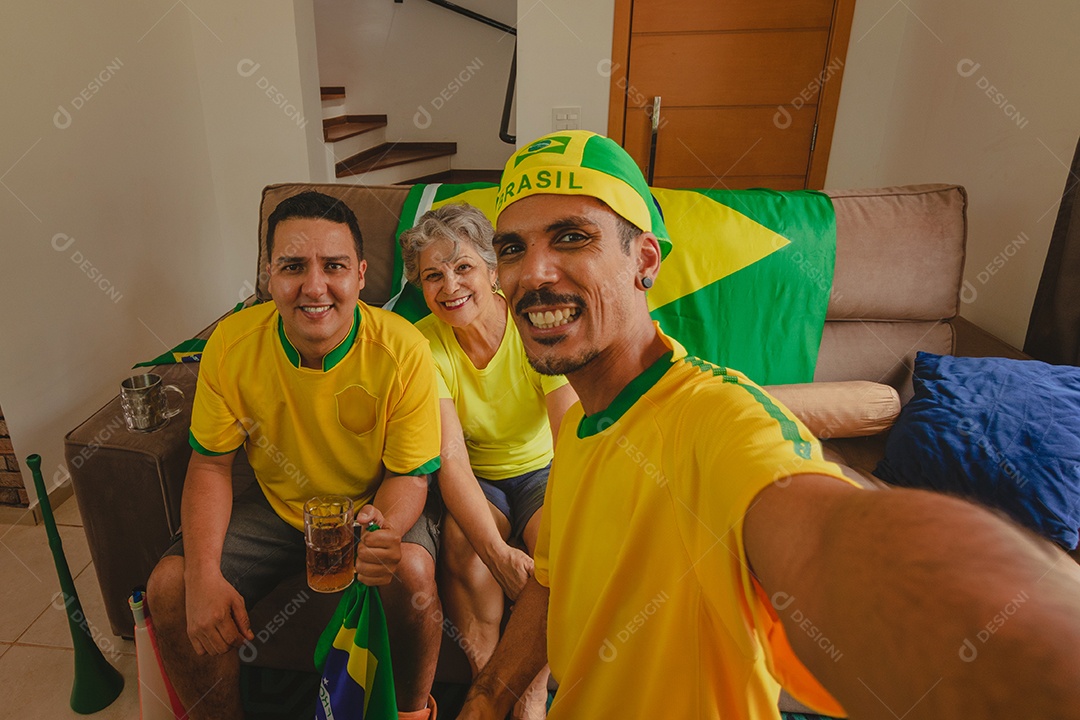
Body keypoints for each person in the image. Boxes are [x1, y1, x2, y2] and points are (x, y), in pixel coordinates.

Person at [458, 130, 1080, 719]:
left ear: (644, 259)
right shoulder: (577, 433)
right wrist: (487, 696)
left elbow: (832, 545)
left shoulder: (715, 417)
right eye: (512, 247)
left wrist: (1034, 643)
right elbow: (552, 581)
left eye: (571, 237)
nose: (532, 273)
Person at [147, 191, 444, 720]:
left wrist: (386, 526)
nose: (314, 287)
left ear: (360, 274)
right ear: (268, 277)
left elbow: (409, 476)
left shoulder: (403, 349)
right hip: (279, 509)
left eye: (333, 266)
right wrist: (203, 576)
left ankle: (412, 714)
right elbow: (210, 465)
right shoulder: (232, 345)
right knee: (169, 586)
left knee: (414, 573)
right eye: (292, 266)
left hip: (367, 504)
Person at [399, 204, 578, 717]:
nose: (448, 286)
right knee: (467, 551)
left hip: (544, 471)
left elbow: (570, 436)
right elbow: (450, 458)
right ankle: (489, 692)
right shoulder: (423, 345)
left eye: (462, 268)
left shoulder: (533, 320)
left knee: (554, 553)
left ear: (493, 272)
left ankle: (530, 699)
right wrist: (498, 552)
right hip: (480, 478)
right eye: (432, 275)